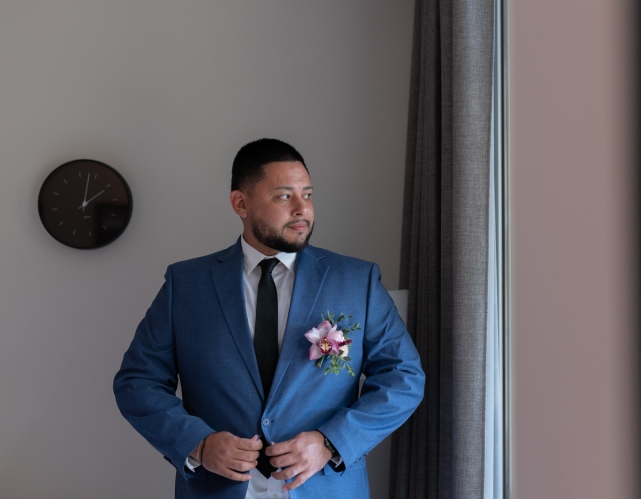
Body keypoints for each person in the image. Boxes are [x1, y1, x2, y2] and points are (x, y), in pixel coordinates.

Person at [113, 138, 425, 499]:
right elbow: (137, 381)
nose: (302, 209)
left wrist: (331, 442)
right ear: (240, 203)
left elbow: (403, 378)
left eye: (307, 195)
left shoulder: (357, 281)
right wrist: (198, 443)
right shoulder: (186, 285)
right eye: (284, 196)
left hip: (324, 487)